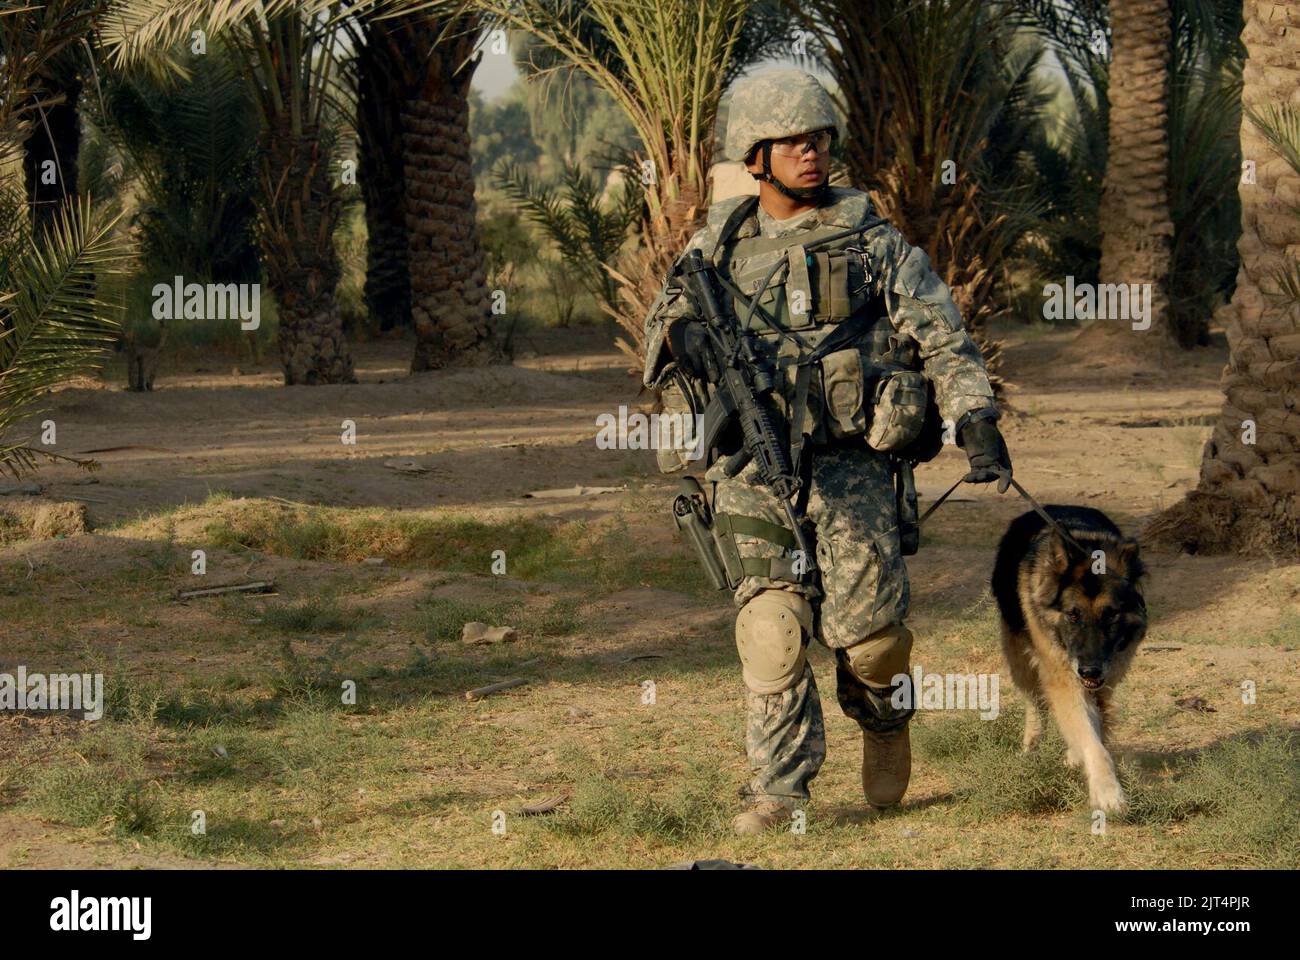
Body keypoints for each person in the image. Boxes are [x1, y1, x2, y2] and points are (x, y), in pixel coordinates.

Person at [642, 69, 1012, 834]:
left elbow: (941, 334)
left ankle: (884, 720)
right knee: (772, 631)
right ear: (755, 157)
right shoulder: (715, 250)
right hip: (750, 466)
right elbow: (658, 341)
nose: (811, 155)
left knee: (872, 642)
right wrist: (681, 338)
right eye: (792, 143)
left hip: (854, 468)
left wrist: (974, 415)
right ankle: (779, 793)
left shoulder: (872, 242)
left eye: (819, 141)